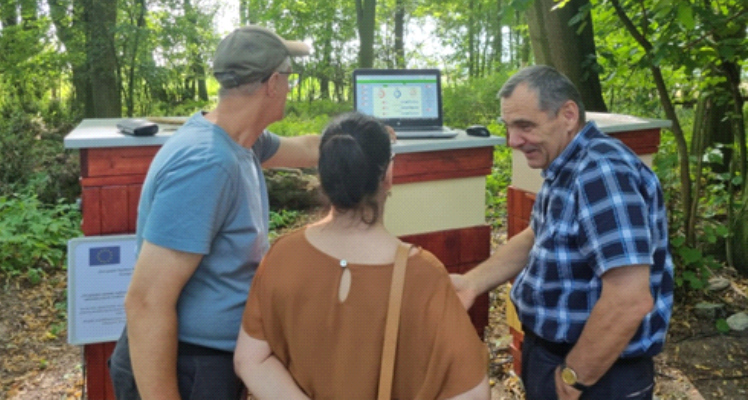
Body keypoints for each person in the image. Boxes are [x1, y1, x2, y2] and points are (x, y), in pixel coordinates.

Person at [108, 25, 320, 400]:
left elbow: (306, 150)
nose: (290, 86)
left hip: (209, 361)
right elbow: (145, 302)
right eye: (289, 78)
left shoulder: (245, 140)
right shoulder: (207, 164)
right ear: (273, 83)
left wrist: (366, 138)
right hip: (185, 367)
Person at [451, 65, 674, 400]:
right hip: (560, 359)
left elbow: (628, 298)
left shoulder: (601, 172)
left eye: (525, 126)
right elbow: (535, 238)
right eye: (510, 127)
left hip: (599, 376)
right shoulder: (568, 166)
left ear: (568, 115)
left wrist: (575, 376)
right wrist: (471, 284)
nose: (513, 141)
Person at [233, 112, 490, 399]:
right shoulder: (424, 275)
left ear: (324, 175)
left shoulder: (282, 256)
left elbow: (250, 359)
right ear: (389, 175)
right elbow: (473, 392)